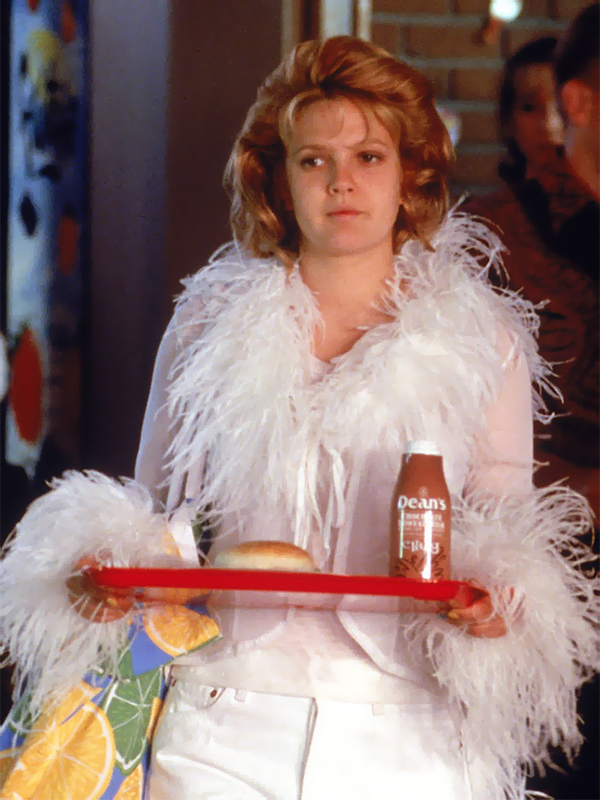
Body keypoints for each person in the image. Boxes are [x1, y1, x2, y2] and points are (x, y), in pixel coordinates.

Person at [0, 36, 597, 800]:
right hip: (222, 716)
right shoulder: (207, 322)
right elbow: (153, 514)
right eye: (314, 160)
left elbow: (505, 530)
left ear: (411, 173)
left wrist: (494, 602)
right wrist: (110, 575)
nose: (342, 182)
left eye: (369, 157)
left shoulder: (484, 338)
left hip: (412, 732)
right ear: (279, 182)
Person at [464, 18, 599, 521]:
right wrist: (578, 487)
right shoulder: (488, 235)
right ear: (581, 103)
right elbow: (440, 421)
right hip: (538, 542)